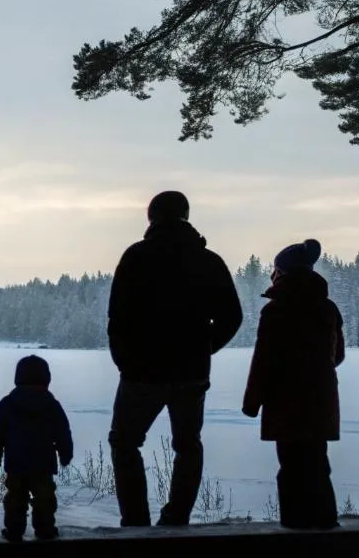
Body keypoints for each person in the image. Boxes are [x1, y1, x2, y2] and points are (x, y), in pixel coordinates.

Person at [106, 190, 244, 527]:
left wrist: (125, 360)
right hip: (190, 373)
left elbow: (117, 317)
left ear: (151, 217)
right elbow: (232, 316)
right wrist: (202, 348)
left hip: (142, 372)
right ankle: (176, 519)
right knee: (188, 445)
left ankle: (136, 521)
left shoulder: (136, 256)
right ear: (186, 215)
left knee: (124, 443)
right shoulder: (208, 260)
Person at [242, 238, 345, 530]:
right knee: (318, 464)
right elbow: (338, 355)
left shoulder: (275, 311)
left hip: (284, 402)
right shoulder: (327, 308)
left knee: (290, 467)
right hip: (321, 401)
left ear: (283, 272)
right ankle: (326, 525)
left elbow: (263, 362)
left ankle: (295, 528)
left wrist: (252, 404)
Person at [0, 354, 74, 542]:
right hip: (43, 465)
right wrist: (66, 454)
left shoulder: (7, 404)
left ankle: (13, 531)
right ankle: (45, 530)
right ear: (46, 378)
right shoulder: (52, 406)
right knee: (45, 499)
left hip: (16, 464)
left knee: (15, 499)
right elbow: (63, 432)